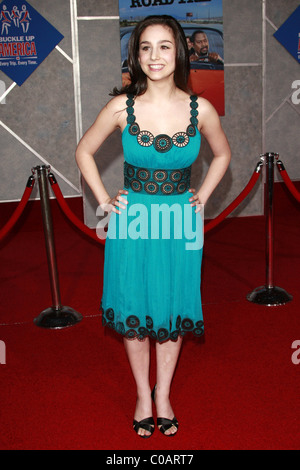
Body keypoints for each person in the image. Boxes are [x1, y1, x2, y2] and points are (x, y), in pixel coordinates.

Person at [75, 15, 231, 438]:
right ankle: (144, 394)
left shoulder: (201, 109)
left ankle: (164, 395)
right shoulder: (121, 106)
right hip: (134, 221)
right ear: (136, 54)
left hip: (180, 221)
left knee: (171, 309)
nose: (155, 55)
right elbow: (84, 151)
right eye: (145, 47)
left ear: (178, 51)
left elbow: (222, 155)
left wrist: (204, 195)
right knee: (133, 310)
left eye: (164, 46)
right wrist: (105, 200)